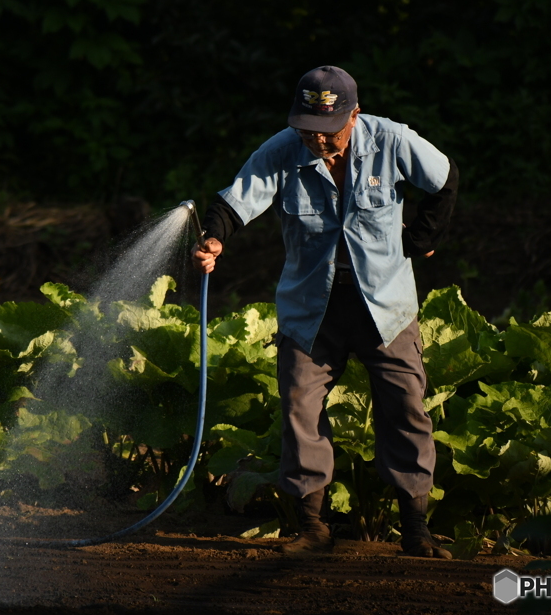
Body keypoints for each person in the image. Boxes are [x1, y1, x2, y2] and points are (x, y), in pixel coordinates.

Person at [192, 66, 457, 559]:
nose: (317, 139)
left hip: (384, 306)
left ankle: (416, 530)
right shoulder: (282, 150)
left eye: (328, 130)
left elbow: (444, 179)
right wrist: (213, 239)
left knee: (405, 410)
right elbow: (234, 202)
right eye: (307, 128)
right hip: (313, 307)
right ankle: (313, 527)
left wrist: (423, 240)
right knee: (300, 409)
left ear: (354, 115)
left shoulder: (393, 140)